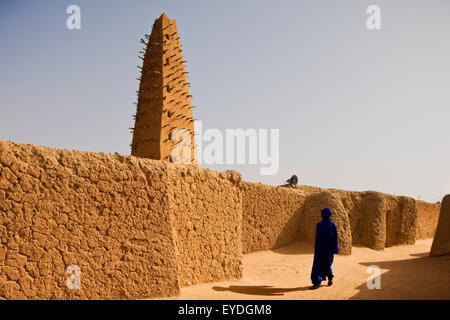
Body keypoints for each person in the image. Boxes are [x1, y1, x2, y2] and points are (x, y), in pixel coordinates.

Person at [309, 208, 339, 290]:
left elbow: (334, 239)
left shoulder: (332, 225)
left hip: (328, 250)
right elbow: (317, 238)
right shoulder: (319, 225)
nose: (322, 216)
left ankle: (330, 277)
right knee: (317, 266)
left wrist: (332, 251)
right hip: (319, 250)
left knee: (327, 265)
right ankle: (316, 283)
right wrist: (316, 248)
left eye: (324, 214)